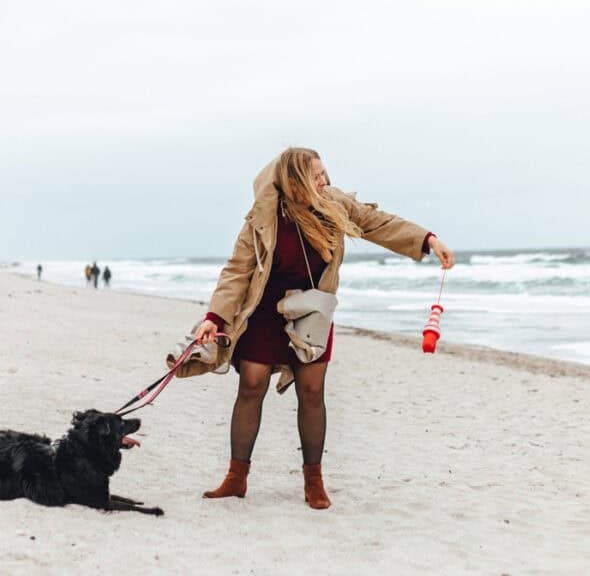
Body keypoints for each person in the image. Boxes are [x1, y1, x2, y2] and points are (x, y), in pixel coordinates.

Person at [193, 147, 454, 510]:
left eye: (325, 173)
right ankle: (236, 478)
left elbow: (380, 224)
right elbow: (237, 270)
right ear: (295, 179)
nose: (324, 181)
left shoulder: (334, 205)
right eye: (316, 175)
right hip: (267, 310)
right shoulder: (264, 217)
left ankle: (314, 481)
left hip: (313, 310)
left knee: (312, 392)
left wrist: (428, 240)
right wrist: (214, 318)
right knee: (252, 385)